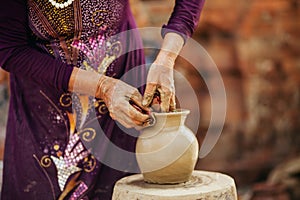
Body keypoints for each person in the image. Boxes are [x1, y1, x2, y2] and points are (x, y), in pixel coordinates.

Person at [0, 0, 205, 199]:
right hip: (46, 111)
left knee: (124, 188)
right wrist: (102, 87)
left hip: (123, 95)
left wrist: (167, 57)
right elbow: (10, 49)